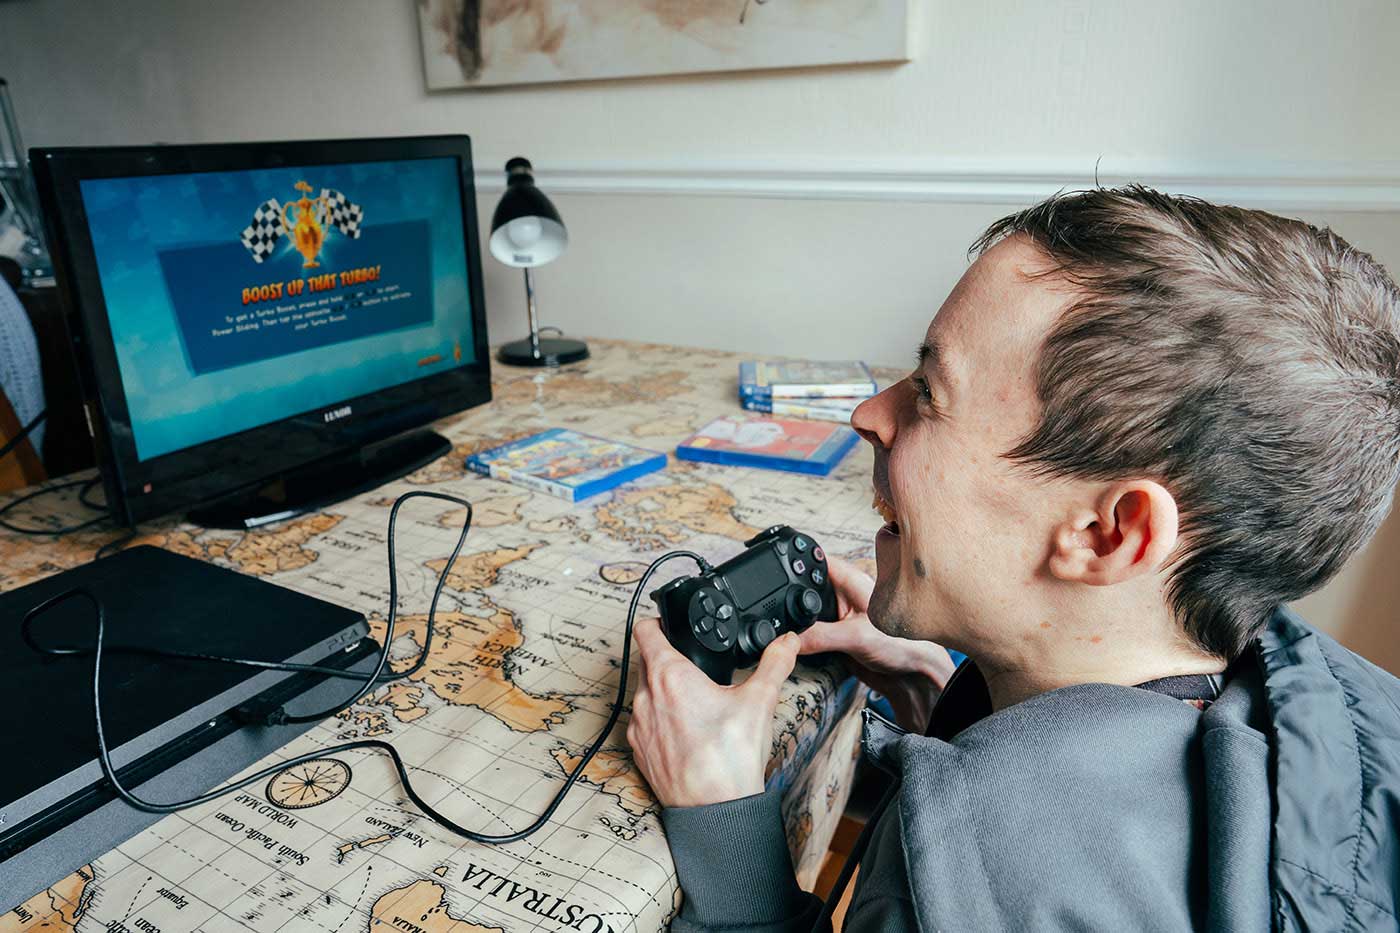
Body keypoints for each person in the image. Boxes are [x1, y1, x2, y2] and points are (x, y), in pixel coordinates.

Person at [626, 186, 1400, 931]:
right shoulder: (1320, 693)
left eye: (929, 391)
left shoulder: (972, 892)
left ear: (1109, 534)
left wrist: (726, 834)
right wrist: (958, 699)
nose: (870, 413)